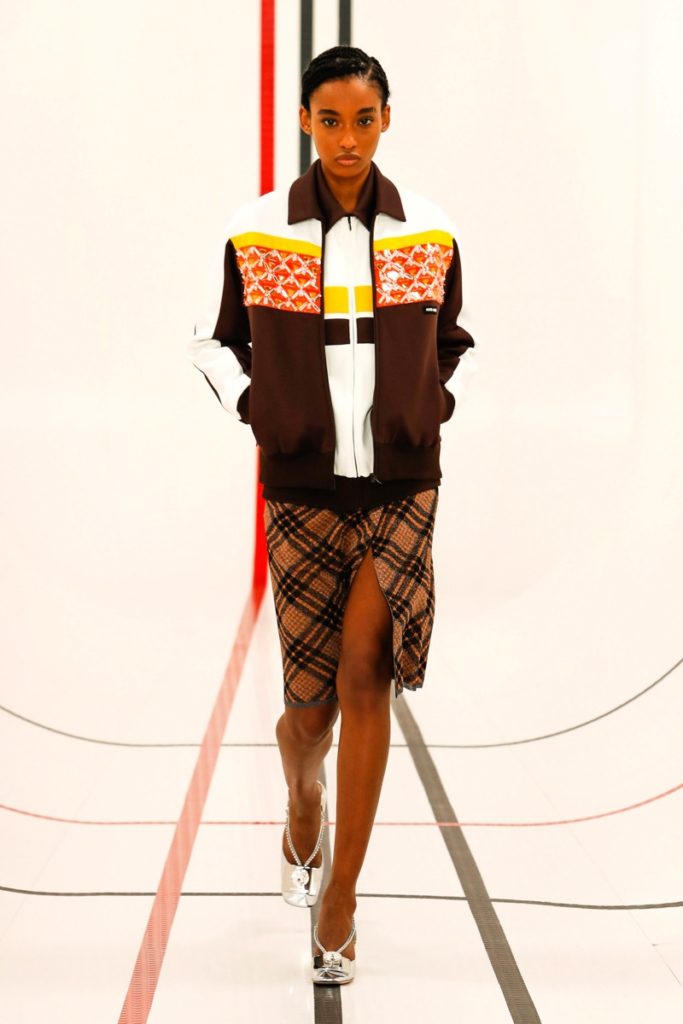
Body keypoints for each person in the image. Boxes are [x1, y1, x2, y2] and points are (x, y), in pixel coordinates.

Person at [189, 45, 475, 985]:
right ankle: (302, 795)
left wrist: (425, 406)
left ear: (385, 119)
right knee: (307, 714)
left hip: (402, 485)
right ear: (306, 122)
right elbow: (214, 343)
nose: (347, 139)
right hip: (302, 488)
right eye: (329, 120)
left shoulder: (426, 229)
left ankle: (342, 895)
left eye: (362, 119)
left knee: (365, 676)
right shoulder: (258, 231)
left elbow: (452, 339)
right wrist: (262, 409)